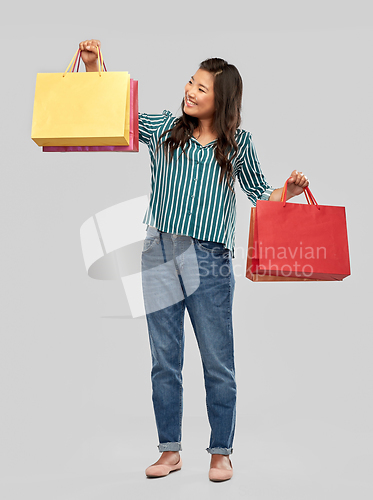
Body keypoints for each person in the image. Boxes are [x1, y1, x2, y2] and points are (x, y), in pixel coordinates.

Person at [79, 39, 309, 482]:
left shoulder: (237, 144)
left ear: (221, 100)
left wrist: (291, 192)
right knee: (164, 360)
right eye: (190, 82)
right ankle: (170, 451)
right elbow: (117, 118)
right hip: (159, 252)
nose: (190, 91)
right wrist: (94, 68)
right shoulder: (166, 127)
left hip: (209, 260)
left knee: (217, 361)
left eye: (202, 88)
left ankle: (220, 451)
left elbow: (262, 196)